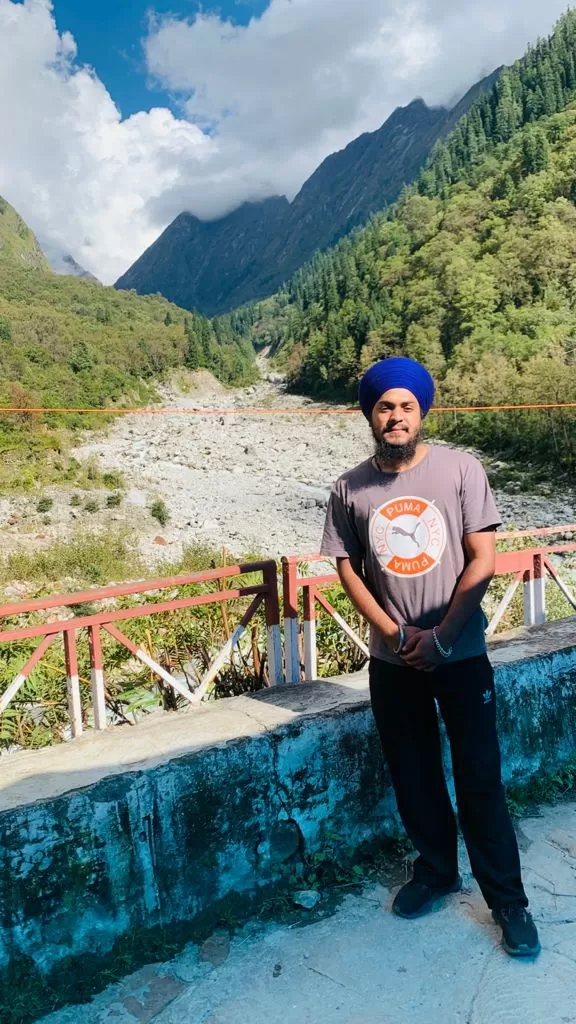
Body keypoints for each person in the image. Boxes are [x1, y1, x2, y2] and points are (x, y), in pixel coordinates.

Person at [320, 356, 540, 958]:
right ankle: (437, 872)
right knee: (413, 774)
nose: (396, 416)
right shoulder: (349, 488)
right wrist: (393, 632)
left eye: (406, 406)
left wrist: (442, 636)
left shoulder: (462, 470)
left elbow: (483, 560)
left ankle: (509, 902)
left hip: (460, 655)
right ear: (371, 414)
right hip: (394, 662)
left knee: (479, 778)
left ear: (422, 411)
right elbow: (347, 569)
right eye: (385, 406)